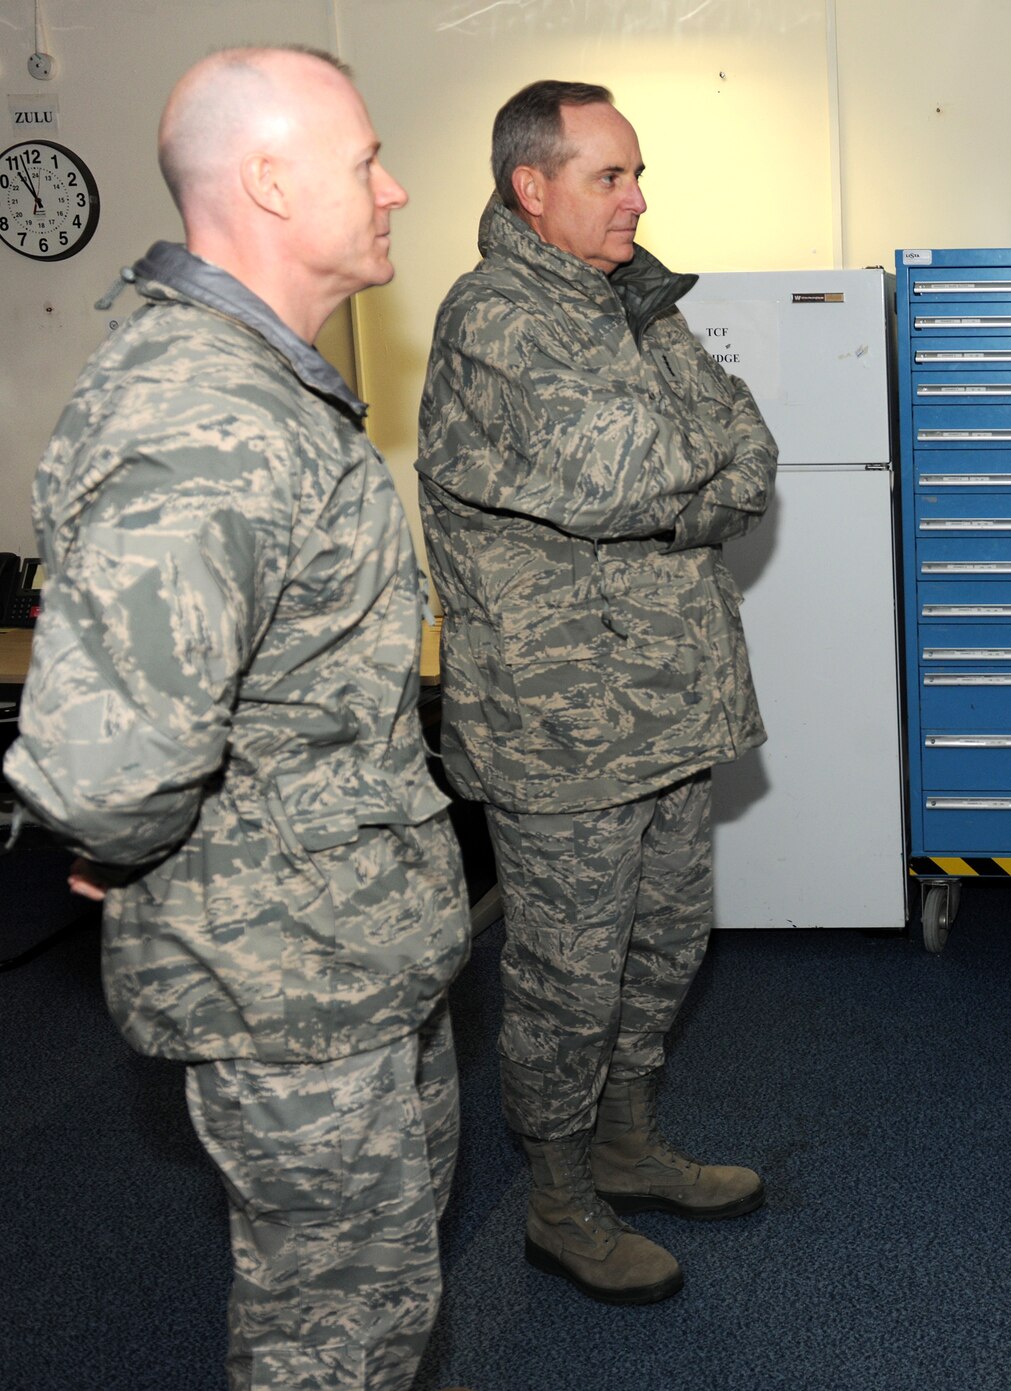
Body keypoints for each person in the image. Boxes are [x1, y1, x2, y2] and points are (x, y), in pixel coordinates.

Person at [2, 46, 469, 1389]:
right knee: (332, 1334)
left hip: (342, 951)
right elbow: (102, 764)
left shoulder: (259, 386)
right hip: (287, 983)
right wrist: (117, 832)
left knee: (378, 1297)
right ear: (267, 179)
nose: (394, 187)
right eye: (365, 158)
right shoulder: (203, 412)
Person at [417, 80, 773, 1306]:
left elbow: (750, 442)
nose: (636, 197)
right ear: (534, 188)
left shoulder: (631, 302)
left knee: (665, 943)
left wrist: (691, 478)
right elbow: (631, 467)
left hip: (668, 692)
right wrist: (691, 476)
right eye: (609, 176)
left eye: (635, 174)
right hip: (561, 718)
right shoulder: (494, 320)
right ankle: (558, 1199)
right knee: (566, 973)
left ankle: (625, 1139)